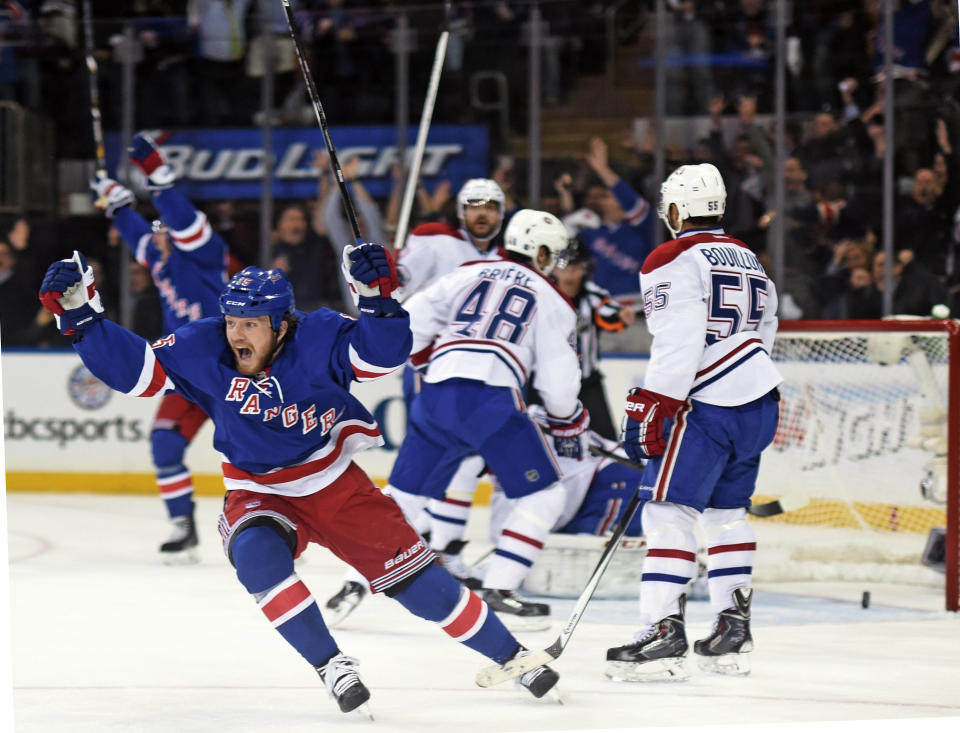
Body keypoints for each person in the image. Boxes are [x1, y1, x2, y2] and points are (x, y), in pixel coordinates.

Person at [37, 245, 560, 717]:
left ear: (282, 324)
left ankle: (514, 657)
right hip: (258, 488)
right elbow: (139, 373)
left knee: (420, 589)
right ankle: (332, 665)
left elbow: (382, 357)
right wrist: (83, 318)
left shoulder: (321, 335)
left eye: (250, 323)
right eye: (232, 321)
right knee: (256, 558)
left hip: (335, 484)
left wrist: (378, 299)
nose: (236, 333)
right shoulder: (204, 343)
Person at [608, 163, 782, 682]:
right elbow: (767, 327)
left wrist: (656, 401)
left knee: (667, 512)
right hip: (758, 398)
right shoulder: (750, 257)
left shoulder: (671, 255)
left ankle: (661, 630)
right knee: (726, 514)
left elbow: (678, 338)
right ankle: (732, 628)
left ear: (677, 209)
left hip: (704, 404)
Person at [383, 209, 587, 630]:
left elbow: (412, 321)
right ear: (540, 251)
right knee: (545, 495)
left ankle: (354, 575)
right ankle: (500, 589)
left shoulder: (467, 272)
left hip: (436, 394)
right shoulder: (553, 300)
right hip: (491, 401)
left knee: (405, 493)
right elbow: (560, 384)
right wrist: (568, 423)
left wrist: (426, 363)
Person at [324, 178, 509, 622]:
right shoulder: (435, 240)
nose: (481, 214)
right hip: (433, 373)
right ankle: (375, 564)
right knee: (426, 472)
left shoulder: (508, 260)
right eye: (473, 206)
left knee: (463, 467)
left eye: (490, 207)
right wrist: (380, 273)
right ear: (460, 211)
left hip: (484, 380)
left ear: (502, 213)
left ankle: (444, 550)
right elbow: (396, 282)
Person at [89, 131, 229, 561]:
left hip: (231, 371)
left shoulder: (207, 253)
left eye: (166, 229)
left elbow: (185, 221)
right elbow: (135, 232)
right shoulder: (159, 255)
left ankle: (284, 524)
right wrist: (116, 204)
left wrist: (157, 178)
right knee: (164, 443)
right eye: (159, 231)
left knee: (257, 451)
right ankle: (181, 525)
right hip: (187, 373)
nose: (161, 236)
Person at [545, 238, 635, 440]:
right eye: (564, 267)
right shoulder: (544, 294)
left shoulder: (592, 295)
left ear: (584, 269)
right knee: (540, 440)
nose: (570, 274)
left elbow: (608, 312)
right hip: (548, 385)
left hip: (587, 384)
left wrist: (621, 316)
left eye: (575, 268)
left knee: (607, 443)